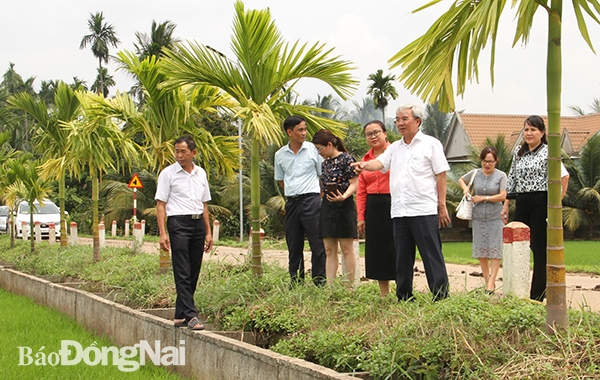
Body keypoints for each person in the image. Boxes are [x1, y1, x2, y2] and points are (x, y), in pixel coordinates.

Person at [352, 104, 450, 302]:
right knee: (402, 257)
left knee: (431, 255)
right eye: (397, 119)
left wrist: (442, 206)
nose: (400, 123)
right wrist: (363, 166)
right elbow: (379, 164)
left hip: (423, 209)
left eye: (404, 118)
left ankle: (440, 296)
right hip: (399, 211)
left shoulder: (431, 144)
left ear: (417, 121)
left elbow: (441, 176)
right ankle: (404, 296)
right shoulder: (395, 148)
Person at [502, 115, 570, 301]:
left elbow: (564, 177)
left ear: (542, 132)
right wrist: (506, 205)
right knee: (518, 245)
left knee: (539, 250)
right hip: (522, 202)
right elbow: (512, 179)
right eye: (526, 129)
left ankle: (537, 294)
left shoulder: (548, 152)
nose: (529, 133)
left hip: (541, 201)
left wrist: (556, 202)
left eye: (533, 130)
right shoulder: (518, 152)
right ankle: (516, 290)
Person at [155, 135, 213, 330]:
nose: (179, 155)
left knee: (194, 270)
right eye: (176, 151)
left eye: (183, 151)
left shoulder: (201, 174)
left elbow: (204, 204)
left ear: (193, 153)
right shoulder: (168, 174)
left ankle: (180, 314)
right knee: (182, 270)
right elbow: (161, 205)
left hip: (197, 223)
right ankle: (191, 315)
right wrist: (163, 233)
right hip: (178, 223)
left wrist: (208, 231)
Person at [274, 116, 327, 286]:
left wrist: (318, 196)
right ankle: (296, 282)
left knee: (317, 244)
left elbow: (322, 175)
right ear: (290, 132)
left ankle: (319, 282)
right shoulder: (280, 155)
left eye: (305, 129)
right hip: (292, 203)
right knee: (293, 243)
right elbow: (281, 180)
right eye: (300, 130)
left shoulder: (313, 150)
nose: (304, 133)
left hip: (312, 200)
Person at [312, 129, 358, 285]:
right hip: (328, 206)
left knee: (346, 248)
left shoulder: (346, 159)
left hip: (344, 206)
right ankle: (330, 287)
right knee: (329, 249)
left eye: (320, 148)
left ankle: (349, 286)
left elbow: (354, 183)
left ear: (330, 144)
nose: (319, 152)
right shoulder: (324, 164)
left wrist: (344, 196)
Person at [458, 146, 507, 293]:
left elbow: (503, 195)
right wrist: (465, 189)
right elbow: (461, 180)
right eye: (485, 161)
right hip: (478, 216)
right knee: (482, 250)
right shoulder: (475, 174)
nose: (487, 164)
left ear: (496, 161)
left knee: (495, 249)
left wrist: (485, 198)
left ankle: (492, 281)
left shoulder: (501, 176)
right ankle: (487, 280)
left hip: (495, 217)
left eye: (491, 161)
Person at [356, 120, 396, 296]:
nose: (373, 136)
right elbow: (361, 192)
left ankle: (402, 289)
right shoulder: (365, 160)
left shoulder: (396, 152)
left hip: (395, 203)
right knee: (377, 248)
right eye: (369, 134)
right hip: (374, 206)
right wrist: (361, 216)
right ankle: (384, 293)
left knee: (397, 246)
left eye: (376, 132)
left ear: (385, 133)